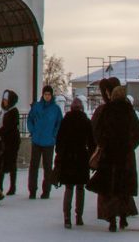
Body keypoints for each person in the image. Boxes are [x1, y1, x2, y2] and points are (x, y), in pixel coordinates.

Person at [88, 80, 139, 233]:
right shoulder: (129, 111)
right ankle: (124, 218)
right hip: (125, 158)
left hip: (109, 156)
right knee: (123, 188)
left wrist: (103, 144)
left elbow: (97, 132)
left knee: (109, 190)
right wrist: (129, 146)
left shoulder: (106, 110)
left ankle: (112, 220)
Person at [54, 98, 95, 228]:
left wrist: (59, 154)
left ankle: (67, 217)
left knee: (69, 188)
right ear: (81, 108)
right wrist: (91, 156)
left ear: (71, 108)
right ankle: (79, 217)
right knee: (80, 188)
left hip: (68, 158)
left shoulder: (66, 121)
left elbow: (59, 140)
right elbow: (91, 142)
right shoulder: (86, 121)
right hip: (82, 158)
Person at [28, 84, 63, 199]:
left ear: (51, 95)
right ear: (42, 95)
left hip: (49, 142)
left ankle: (46, 191)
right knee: (34, 166)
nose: (47, 96)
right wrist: (33, 132)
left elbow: (59, 124)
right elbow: (30, 119)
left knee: (47, 167)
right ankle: (32, 190)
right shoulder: (37, 107)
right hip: (37, 140)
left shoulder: (56, 109)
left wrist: (54, 135)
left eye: (49, 94)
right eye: (45, 94)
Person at [0, 89, 21, 195]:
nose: (4, 102)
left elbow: (8, 126)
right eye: (3, 99)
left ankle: (12, 186)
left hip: (11, 141)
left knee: (11, 164)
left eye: (6, 100)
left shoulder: (13, 111)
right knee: (1, 163)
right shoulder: (3, 111)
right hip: (3, 141)